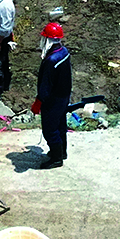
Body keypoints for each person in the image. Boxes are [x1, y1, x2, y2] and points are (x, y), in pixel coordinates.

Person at [32, 22, 71, 169]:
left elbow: (45, 85)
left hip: (52, 100)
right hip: (64, 96)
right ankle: (62, 152)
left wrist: (39, 101)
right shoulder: (64, 52)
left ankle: (56, 159)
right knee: (61, 125)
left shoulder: (51, 60)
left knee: (50, 129)